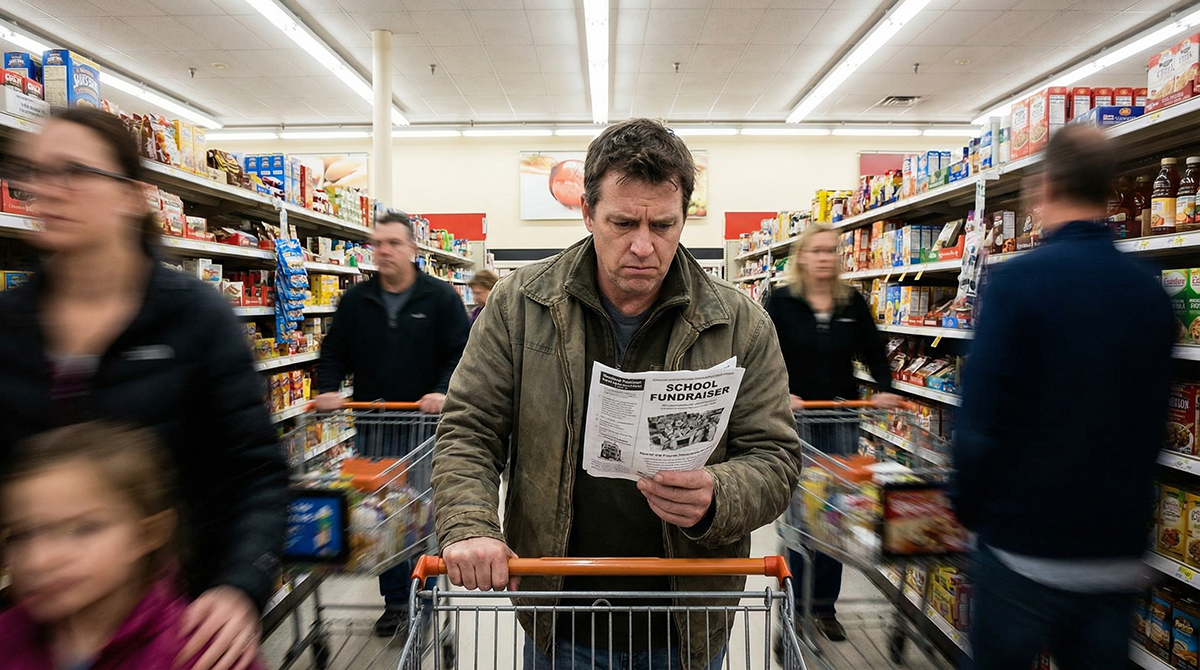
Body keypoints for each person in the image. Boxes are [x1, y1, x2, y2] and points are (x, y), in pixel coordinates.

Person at [432, 118, 803, 670]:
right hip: (558, 610)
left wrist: (717, 495)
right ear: (587, 214)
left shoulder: (742, 324)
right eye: (623, 221)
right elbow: (469, 430)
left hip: (688, 619)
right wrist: (470, 525)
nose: (644, 245)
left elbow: (775, 460)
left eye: (664, 224)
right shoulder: (519, 307)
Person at [0, 108, 286, 670]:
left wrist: (238, 585)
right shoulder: (9, 326)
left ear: (131, 195)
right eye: (35, 173)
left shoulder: (196, 318)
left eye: (74, 172)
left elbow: (256, 470)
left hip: (179, 630)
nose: (47, 190)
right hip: (42, 625)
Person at [952, 124, 1175, 670]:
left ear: (1043, 187)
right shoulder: (1149, 289)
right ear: (1109, 189)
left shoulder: (1017, 283)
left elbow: (982, 417)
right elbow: (1154, 420)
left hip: (1022, 546)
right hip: (1115, 551)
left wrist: (965, 504)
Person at [313, 210, 470, 636]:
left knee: (419, 515)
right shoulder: (356, 301)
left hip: (424, 426)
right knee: (381, 518)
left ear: (412, 249)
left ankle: (423, 598)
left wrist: (442, 389)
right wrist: (327, 386)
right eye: (378, 243)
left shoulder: (440, 298)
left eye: (393, 243)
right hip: (374, 422)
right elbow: (333, 352)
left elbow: (460, 353)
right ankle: (397, 603)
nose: (383, 251)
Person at [0, 422, 266, 670]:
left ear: (149, 533)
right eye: (21, 535)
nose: (39, 559)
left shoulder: (205, 652)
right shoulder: (7, 637)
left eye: (83, 529)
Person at [764, 222, 902, 642]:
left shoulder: (852, 301)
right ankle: (792, 606)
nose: (825, 257)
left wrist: (885, 389)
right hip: (796, 423)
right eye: (817, 250)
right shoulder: (781, 301)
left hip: (841, 418)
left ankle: (824, 608)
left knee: (837, 516)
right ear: (802, 256)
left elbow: (874, 350)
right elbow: (763, 352)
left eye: (832, 251)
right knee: (801, 518)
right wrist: (780, 392)